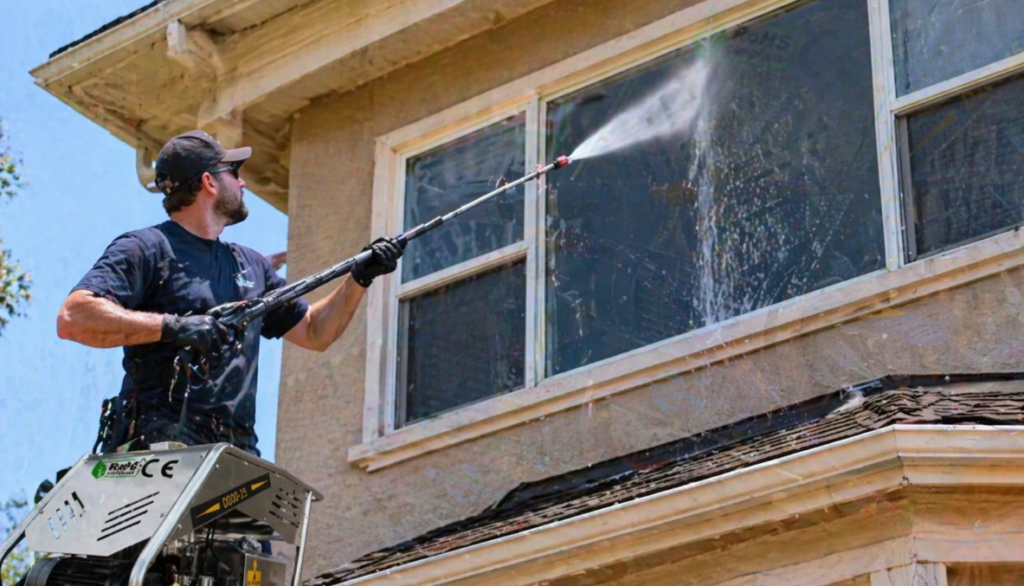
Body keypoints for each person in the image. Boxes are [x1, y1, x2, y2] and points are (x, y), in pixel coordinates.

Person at [56, 130, 403, 457]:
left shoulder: (250, 265)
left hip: (234, 451)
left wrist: (359, 278)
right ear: (209, 181)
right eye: (233, 171)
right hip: (160, 446)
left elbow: (315, 331)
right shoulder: (147, 248)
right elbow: (73, 317)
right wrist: (173, 327)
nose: (242, 181)